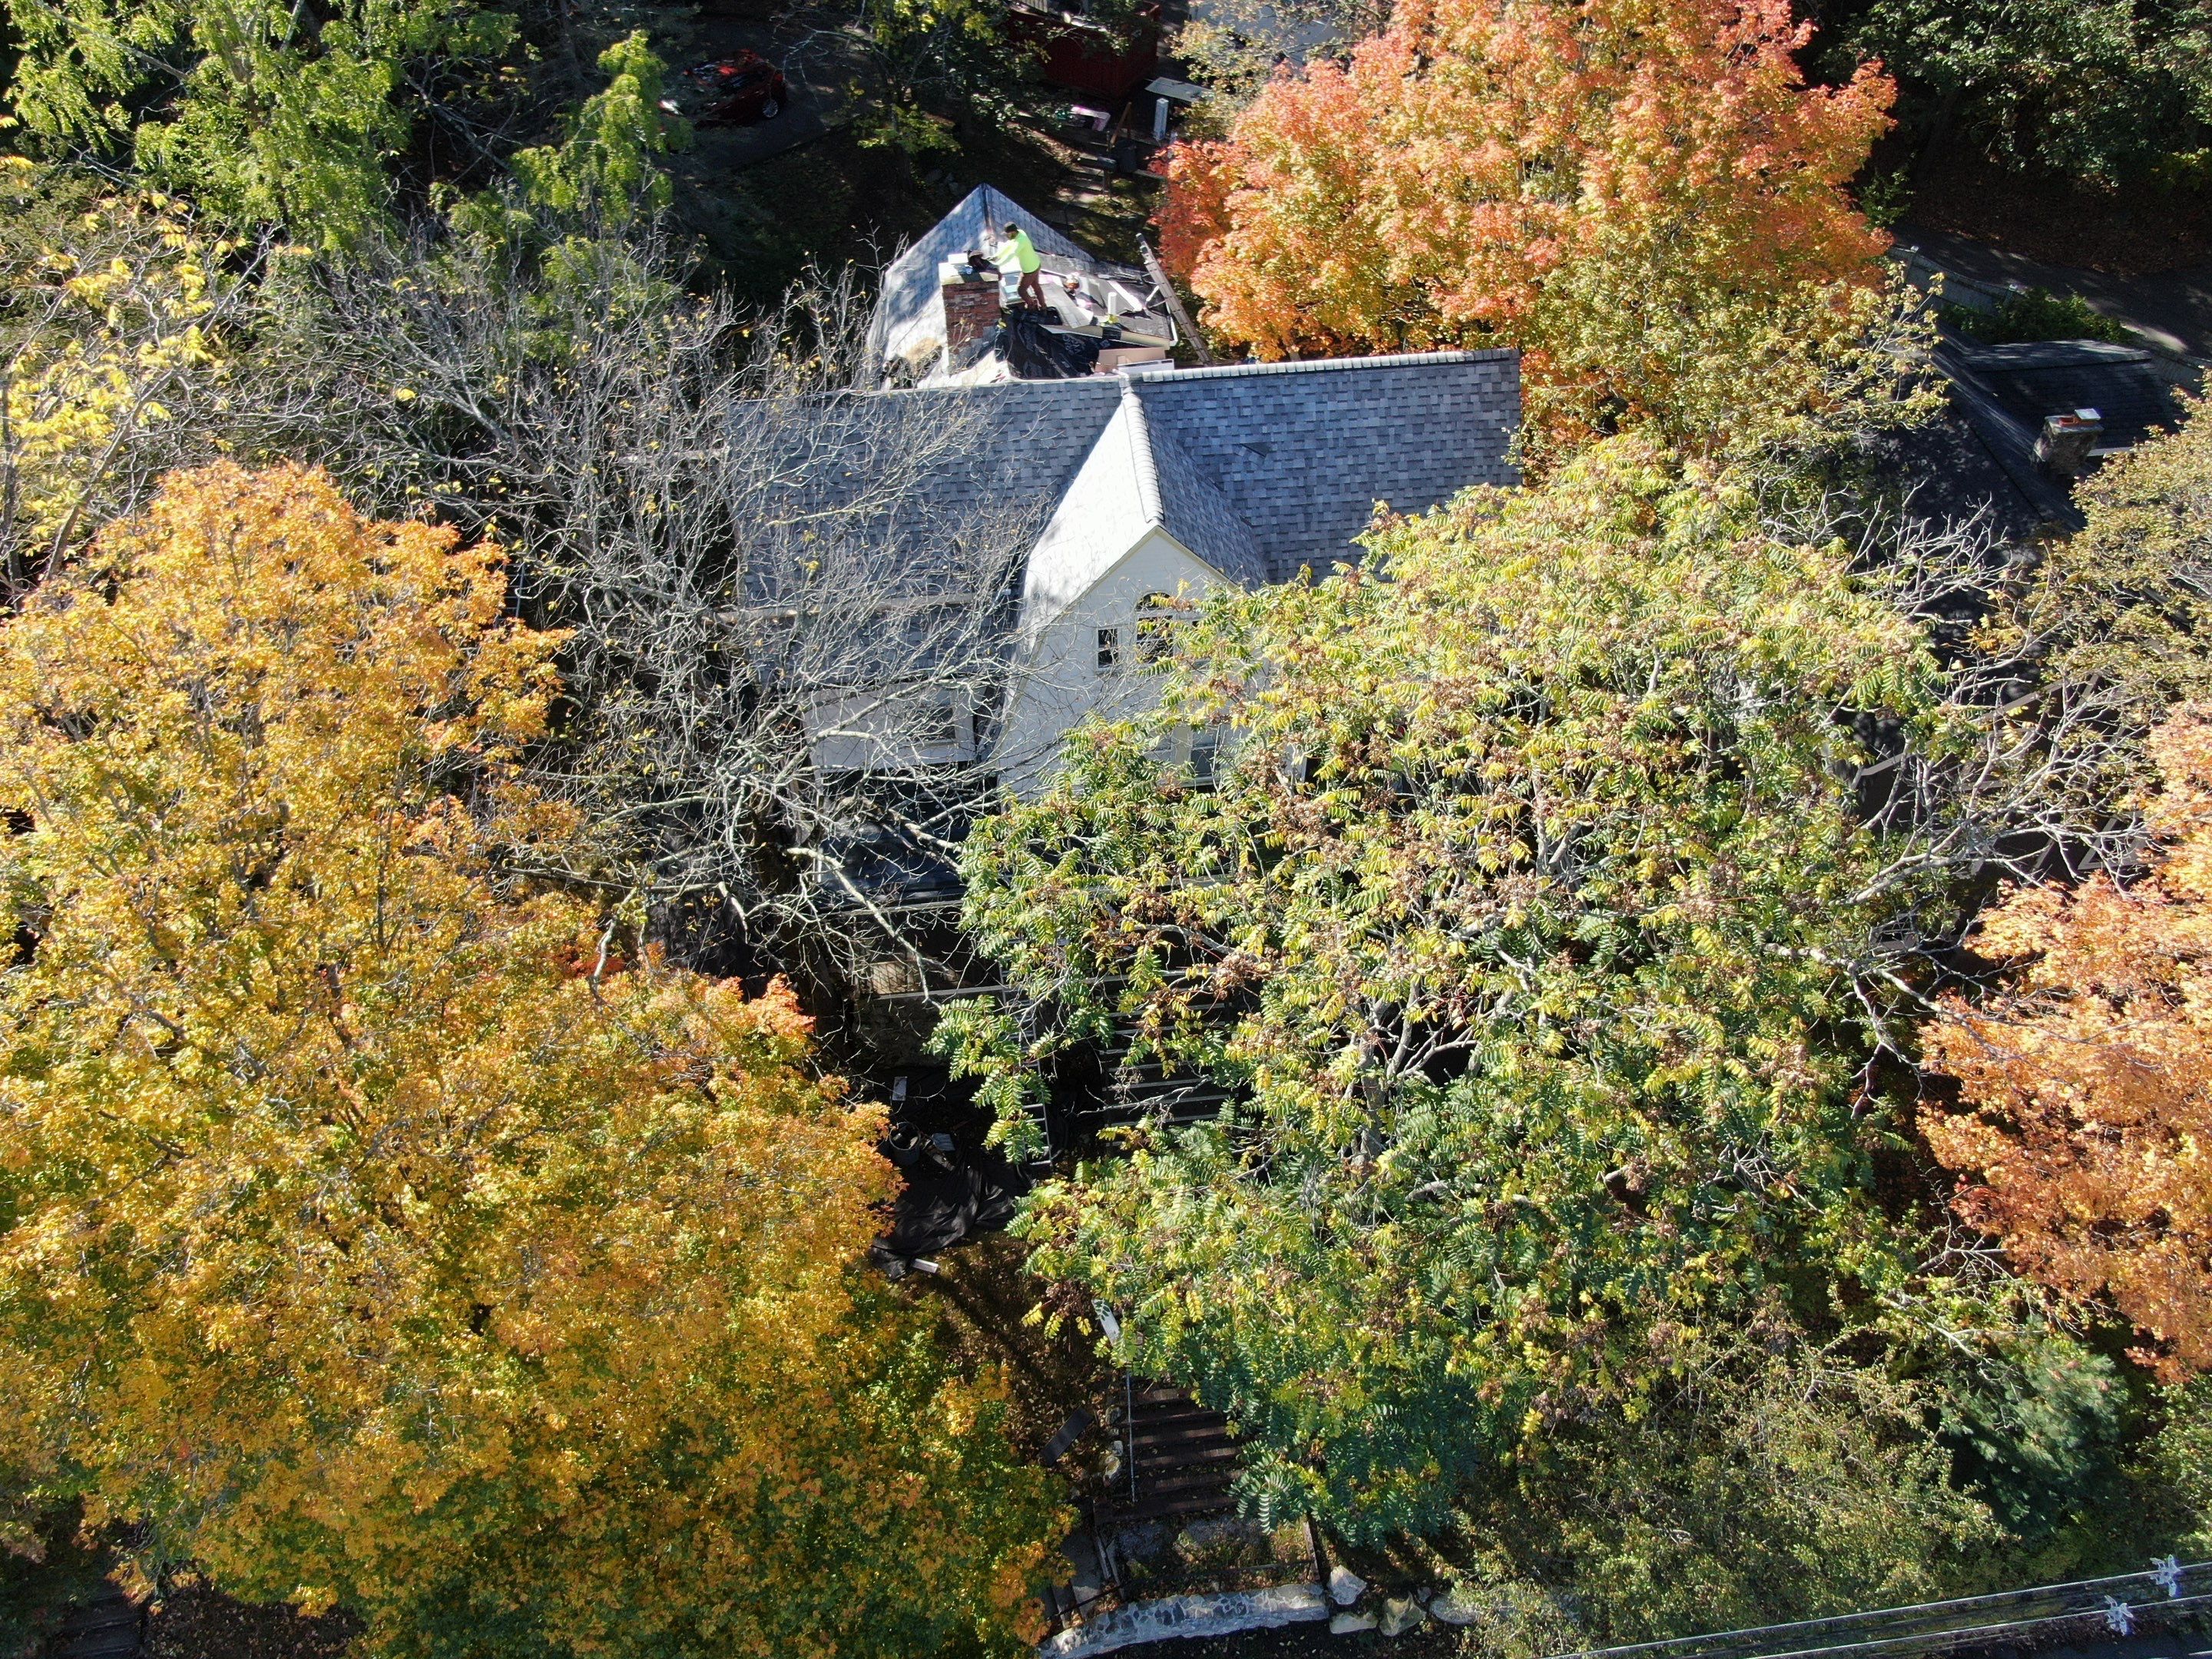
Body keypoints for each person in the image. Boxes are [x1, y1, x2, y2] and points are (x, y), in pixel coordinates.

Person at [995, 220, 1046, 313]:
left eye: (1008, 234)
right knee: (1036, 286)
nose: (1007, 236)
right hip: (1035, 264)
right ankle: (1043, 307)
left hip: (1029, 270)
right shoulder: (1021, 233)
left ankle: (1031, 307)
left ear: (1013, 232)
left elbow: (1011, 254)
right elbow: (1009, 245)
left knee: (1021, 290)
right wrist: (997, 256)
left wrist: (997, 264)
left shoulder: (1020, 242)